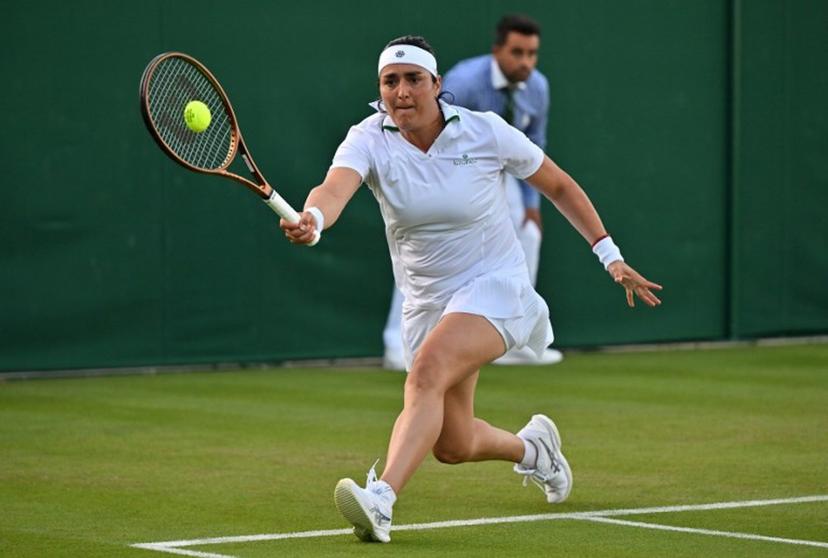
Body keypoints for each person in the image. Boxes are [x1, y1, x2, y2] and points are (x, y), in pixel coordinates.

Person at [281, 35, 662, 544]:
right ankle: (534, 451)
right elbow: (333, 187)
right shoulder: (367, 137)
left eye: (414, 79)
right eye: (390, 82)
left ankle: (382, 499)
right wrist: (315, 219)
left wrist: (610, 256)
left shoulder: (484, 132)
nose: (401, 92)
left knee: (425, 376)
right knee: (452, 444)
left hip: (494, 285)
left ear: (438, 85)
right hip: (427, 302)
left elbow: (559, 185)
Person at [382, 14, 562, 369]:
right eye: (517, 53)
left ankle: (510, 338)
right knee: (420, 255)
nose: (525, 62)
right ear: (497, 51)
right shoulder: (465, 81)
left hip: (503, 172)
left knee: (528, 235)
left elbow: (535, 144)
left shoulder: (538, 87)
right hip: (440, 169)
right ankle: (395, 346)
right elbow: (429, 122)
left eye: (532, 54)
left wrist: (531, 205)